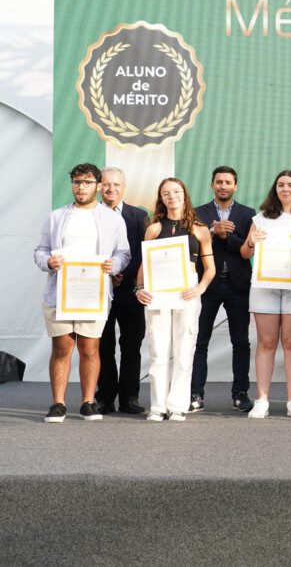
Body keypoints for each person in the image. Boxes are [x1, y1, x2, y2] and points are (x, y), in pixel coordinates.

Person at [35, 163, 130, 422]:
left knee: (90, 347)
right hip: (60, 293)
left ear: (98, 186)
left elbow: (123, 252)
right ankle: (58, 404)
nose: (81, 187)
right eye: (77, 182)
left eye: (87, 182)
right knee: (62, 347)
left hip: (94, 292)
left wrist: (115, 265)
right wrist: (48, 262)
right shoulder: (55, 216)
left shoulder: (112, 218)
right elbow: (40, 250)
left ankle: (88, 402)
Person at [241, 170, 291, 419]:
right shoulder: (262, 217)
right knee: (266, 342)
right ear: (275, 189)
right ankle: (262, 399)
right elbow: (245, 253)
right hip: (264, 287)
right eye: (280, 185)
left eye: (290, 185)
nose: (285, 189)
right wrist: (251, 241)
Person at [135, 178, 215, 421]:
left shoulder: (200, 229)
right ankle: (158, 406)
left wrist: (200, 288)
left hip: (187, 291)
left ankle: (178, 404)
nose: (172, 196)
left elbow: (209, 268)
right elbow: (143, 267)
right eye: (166, 193)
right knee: (158, 350)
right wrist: (139, 289)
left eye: (177, 191)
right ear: (161, 198)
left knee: (184, 350)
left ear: (184, 194)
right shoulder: (154, 228)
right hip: (157, 291)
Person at [191, 166, 256, 413]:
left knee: (240, 341)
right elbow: (193, 241)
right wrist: (211, 231)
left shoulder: (248, 213)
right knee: (200, 341)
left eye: (228, 182)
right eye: (219, 182)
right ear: (212, 185)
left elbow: (248, 247)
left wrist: (225, 236)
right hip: (207, 284)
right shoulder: (199, 213)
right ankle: (196, 394)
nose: (223, 186)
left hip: (239, 284)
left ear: (235, 186)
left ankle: (240, 393)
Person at [95, 167, 148, 415]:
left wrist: (120, 275)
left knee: (131, 346)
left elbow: (141, 252)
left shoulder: (139, 216)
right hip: (97, 291)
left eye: (116, 185)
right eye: (106, 184)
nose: (111, 189)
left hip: (130, 292)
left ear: (124, 187)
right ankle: (105, 397)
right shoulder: (88, 215)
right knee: (102, 347)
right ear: (98, 187)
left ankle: (129, 397)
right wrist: (106, 276)